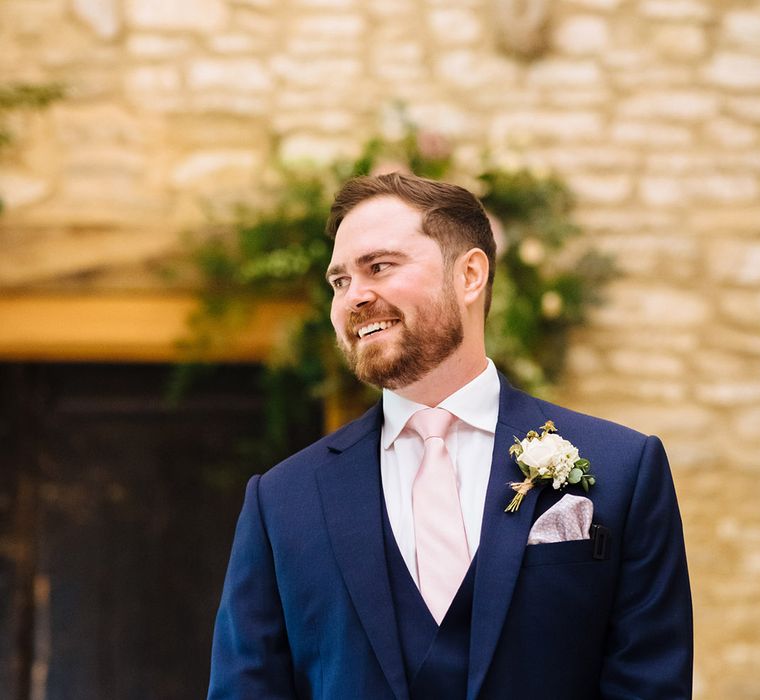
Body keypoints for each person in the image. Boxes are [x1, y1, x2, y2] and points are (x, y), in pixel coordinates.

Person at [207, 173, 693, 699]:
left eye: (379, 267)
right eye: (339, 282)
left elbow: (650, 683)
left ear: (469, 275)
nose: (354, 297)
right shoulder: (281, 500)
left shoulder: (624, 469)